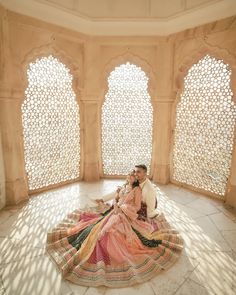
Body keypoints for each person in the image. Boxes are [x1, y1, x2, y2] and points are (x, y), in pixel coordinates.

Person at [46, 170, 184, 288]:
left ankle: (104, 231)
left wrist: (122, 208)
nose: (131, 177)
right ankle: (102, 230)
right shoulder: (124, 187)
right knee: (105, 220)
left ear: (136, 179)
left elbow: (136, 207)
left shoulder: (137, 190)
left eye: (133, 176)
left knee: (117, 219)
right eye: (130, 175)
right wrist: (116, 204)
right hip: (117, 210)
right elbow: (116, 199)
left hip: (127, 213)